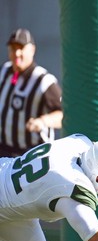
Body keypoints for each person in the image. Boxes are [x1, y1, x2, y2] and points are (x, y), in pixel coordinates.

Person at [0, 28, 63, 157]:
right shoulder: (4, 71)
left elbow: (63, 114)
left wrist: (43, 121)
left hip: (33, 154)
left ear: (32, 50)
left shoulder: (44, 81)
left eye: (21, 48)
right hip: (4, 151)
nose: (17, 53)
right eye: (13, 48)